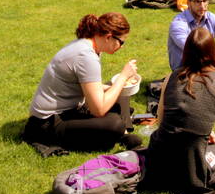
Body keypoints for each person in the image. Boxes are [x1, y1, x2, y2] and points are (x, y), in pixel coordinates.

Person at [143, 26, 215, 194]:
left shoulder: (171, 77)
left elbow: (162, 120)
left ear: (186, 51)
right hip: (190, 167)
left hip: (158, 161)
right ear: (213, 52)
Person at [24, 12, 141, 151]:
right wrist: (122, 78)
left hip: (70, 109)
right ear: (109, 37)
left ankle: (122, 134)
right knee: (115, 124)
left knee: (120, 101)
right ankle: (119, 133)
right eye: (121, 42)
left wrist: (115, 87)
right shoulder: (86, 56)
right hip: (46, 123)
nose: (121, 46)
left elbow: (88, 86)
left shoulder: (88, 45)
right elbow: (99, 110)